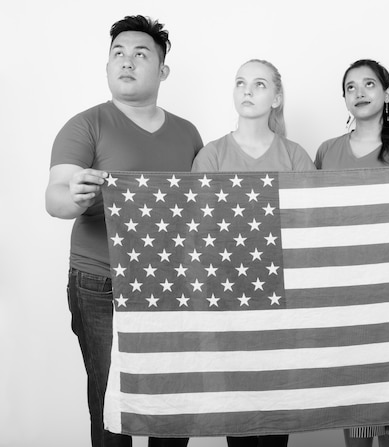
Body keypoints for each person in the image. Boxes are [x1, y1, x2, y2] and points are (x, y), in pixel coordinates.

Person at [45, 15, 203, 447]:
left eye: (140, 54)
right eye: (118, 53)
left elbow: (203, 210)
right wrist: (73, 195)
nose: (126, 62)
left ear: (162, 70)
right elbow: (55, 197)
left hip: (171, 285)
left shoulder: (189, 134)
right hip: (101, 282)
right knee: (111, 402)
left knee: (171, 402)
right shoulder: (87, 125)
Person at [192, 59, 314, 447]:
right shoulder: (210, 155)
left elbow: (310, 228)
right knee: (239, 407)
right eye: (241, 82)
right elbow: (199, 231)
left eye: (259, 84)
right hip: (229, 298)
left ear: (276, 97)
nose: (247, 90)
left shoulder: (295, 156)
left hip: (283, 297)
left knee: (278, 403)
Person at [315, 59, 389, 447]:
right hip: (348, 305)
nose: (359, 92)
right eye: (350, 87)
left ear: (387, 94)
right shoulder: (327, 152)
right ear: (345, 99)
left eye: (368, 84)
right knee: (357, 420)